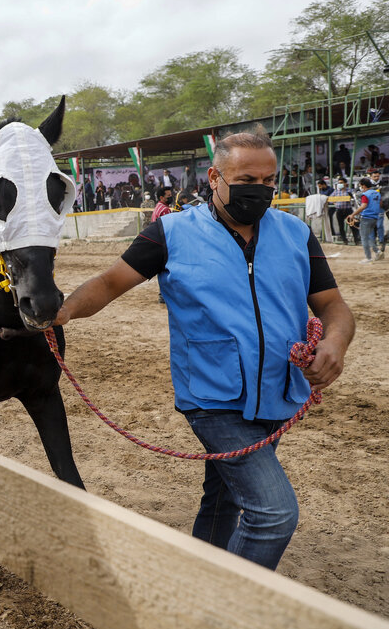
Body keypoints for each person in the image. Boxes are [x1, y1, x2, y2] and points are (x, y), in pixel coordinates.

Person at [54, 126, 354, 570]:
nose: (261, 190)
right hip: (212, 397)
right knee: (273, 513)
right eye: (248, 181)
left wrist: (335, 343)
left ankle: (200, 576)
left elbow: (334, 306)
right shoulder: (170, 233)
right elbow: (108, 282)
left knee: (224, 499)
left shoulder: (295, 234)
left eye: (270, 181)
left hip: (279, 392)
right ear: (215, 177)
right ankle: (228, 606)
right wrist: (59, 313)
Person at [347, 177, 382, 263]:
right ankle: (377, 251)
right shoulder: (377, 193)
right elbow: (380, 204)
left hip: (367, 217)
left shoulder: (365, 195)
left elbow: (363, 206)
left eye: (361, 186)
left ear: (364, 186)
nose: (360, 188)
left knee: (364, 237)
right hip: (375, 217)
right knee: (370, 236)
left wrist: (353, 214)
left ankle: (368, 257)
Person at [332, 177, 355, 245]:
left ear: (345, 184)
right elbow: (330, 198)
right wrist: (335, 203)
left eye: (341, 183)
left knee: (352, 225)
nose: (340, 184)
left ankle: (356, 239)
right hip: (339, 210)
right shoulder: (336, 191)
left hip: (348, 210)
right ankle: (344, 240)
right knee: (341, 226)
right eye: (339, 183)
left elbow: (354, 198)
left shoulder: (350, 191)